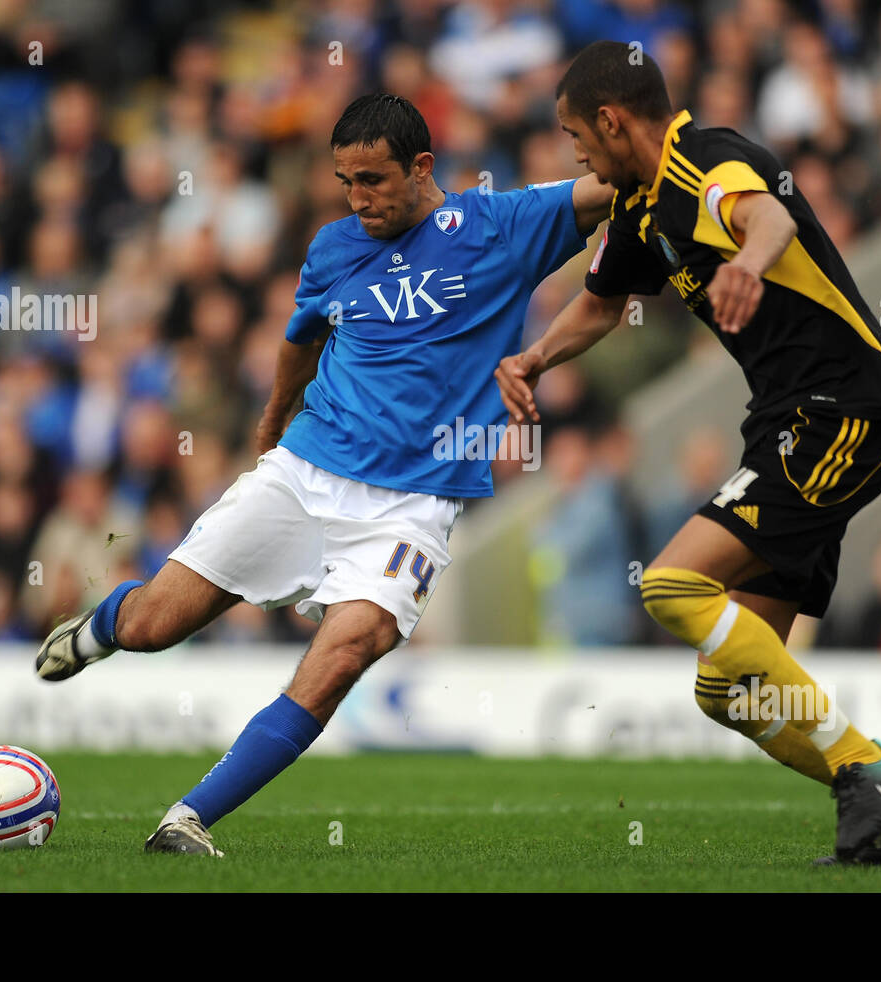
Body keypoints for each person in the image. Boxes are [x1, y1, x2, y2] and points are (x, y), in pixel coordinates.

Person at [33, 93, 613, 856]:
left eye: (374, 179)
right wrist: (272, 421)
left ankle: (188, 818)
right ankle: (105, 624)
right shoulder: (335, 246)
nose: (359, 197)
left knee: (350, 645)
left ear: (423, 167)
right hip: (306, 470)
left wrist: (687, 158)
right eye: (347, 181)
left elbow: (616, 183)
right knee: (154, 626)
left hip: (412, 506)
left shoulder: (499, 226)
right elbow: (299, 340)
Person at [496, 42, 881, 865]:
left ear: (610, 119)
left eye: (576, 134)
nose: (575, 153)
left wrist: (747, 260)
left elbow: (769, 215)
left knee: (672, 585)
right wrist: (533, 360)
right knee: (729, 690)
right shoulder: (638, 207)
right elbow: (599, 308)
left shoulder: (706, 161)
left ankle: (866, 768)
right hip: (784, 423)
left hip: (838, 411)